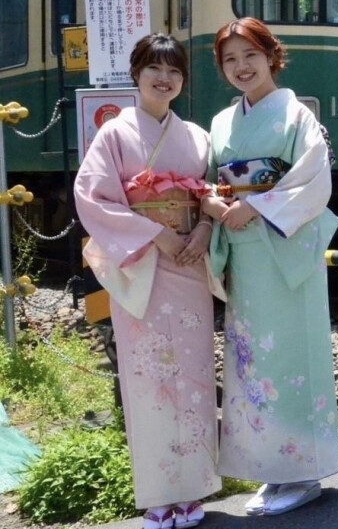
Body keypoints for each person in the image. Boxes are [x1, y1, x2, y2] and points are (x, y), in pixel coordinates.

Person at [74, 34, 226, 529]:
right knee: (148, 381)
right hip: (143, 266)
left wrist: (203, 228)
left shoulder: (198, 137)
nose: (165, 79)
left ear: (183, 79)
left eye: (175, 71)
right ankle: (158, 497)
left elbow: (211, 195)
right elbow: (93, 197)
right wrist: (156, 234)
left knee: (196, 375)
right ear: (136, 74)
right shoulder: (115, 134)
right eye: (154, 69)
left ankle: (195, 490)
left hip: (189, 264)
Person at [201, 17, 338, 516]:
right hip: (243, 254)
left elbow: (314, 182)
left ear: (271, 56)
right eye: (230, 59)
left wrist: (253, 206)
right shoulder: (221, 122)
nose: (241, 67)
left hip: (285, 256)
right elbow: (212, 183)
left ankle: (303, 474)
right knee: (250, 362)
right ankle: (270, 469)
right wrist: (217, 205)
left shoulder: (297, 115)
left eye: (249, 55)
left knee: (291, 358)